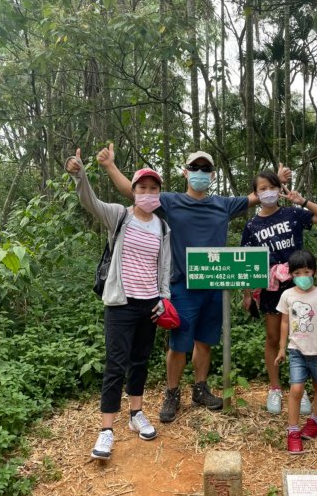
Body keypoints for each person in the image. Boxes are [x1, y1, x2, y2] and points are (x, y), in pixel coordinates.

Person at [96, 144, 291, 423]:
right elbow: (134, 192)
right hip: (182, 286)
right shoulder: (171, 201)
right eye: (195, 168)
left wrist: (276, 183)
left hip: (215, 286)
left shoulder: (223, 204)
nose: (200, 173)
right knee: (178, 345)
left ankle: (200, 389)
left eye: (206, 169)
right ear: (186, 173)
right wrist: (110, 166)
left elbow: (256, 196)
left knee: (206, 341)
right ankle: (172, 393)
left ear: (212, 176)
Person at [65, 150, 172, 460]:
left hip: (150, 304)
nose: (148, 193)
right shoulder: (120, 215)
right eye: (143, 188)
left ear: (159, 193)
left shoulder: (162, 228)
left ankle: (136, 413)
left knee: (139, 361)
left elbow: (164, 267)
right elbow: (91, 203)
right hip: (120, 303)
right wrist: (79, 174)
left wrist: (164, 300)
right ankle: (106, 430)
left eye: (154, 189)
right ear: (133, 191)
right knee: (116, 365)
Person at [241, 170, 317, 415]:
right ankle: (274, 388)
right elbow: (246, 262)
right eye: (262, 189)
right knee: (273, 337)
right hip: (271, 287)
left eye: (271, 186)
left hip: (299, 282)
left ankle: (298, 388)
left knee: (302, 334)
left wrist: (301, 200)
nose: (267, 192)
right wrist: (247, 293)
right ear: (256, 193)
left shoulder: (292, 214)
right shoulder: (252, 225)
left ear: (278, 188)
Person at [275, 250, 317, 454]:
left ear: (315, 272)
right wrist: (282, 348)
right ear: (291, 275)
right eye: (298, 273)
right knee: (296, 389)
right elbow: (284, 322)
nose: (303, 277)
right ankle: (292, 431)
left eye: (307, 271)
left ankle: (316, 421)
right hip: (296, 350)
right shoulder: (287, 295)